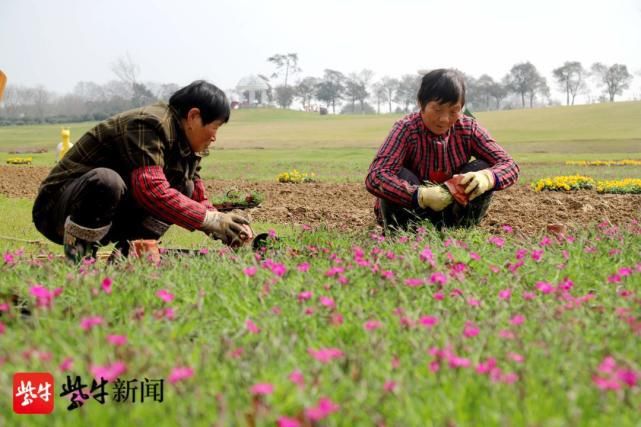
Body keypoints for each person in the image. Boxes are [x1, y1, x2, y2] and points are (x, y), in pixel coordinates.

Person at [32, 80, 251, 262]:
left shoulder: (185, 143)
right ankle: (80, 263)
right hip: (56, 209)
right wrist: (211, 220)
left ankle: (128, 258)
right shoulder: (150, 124)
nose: (214, 137)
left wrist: (223, 225)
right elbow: (151, 189)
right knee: (107, 181)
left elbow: (196, 193)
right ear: (193, 117)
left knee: (184, 186)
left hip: (107, 212)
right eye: (215, 127)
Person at [365, 69, 519, 231]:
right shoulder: (406, 129)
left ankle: (462, 228)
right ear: (420, 103)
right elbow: (376, 176)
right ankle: (403, 232)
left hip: (454, 211)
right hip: (410, 211)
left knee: (481, 168)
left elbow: (509, 164)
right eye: (437, 110)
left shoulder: (468, 128)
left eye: (454, 111)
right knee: (398, 174)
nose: (444, 119)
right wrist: (420, 196)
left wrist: (487, 178)